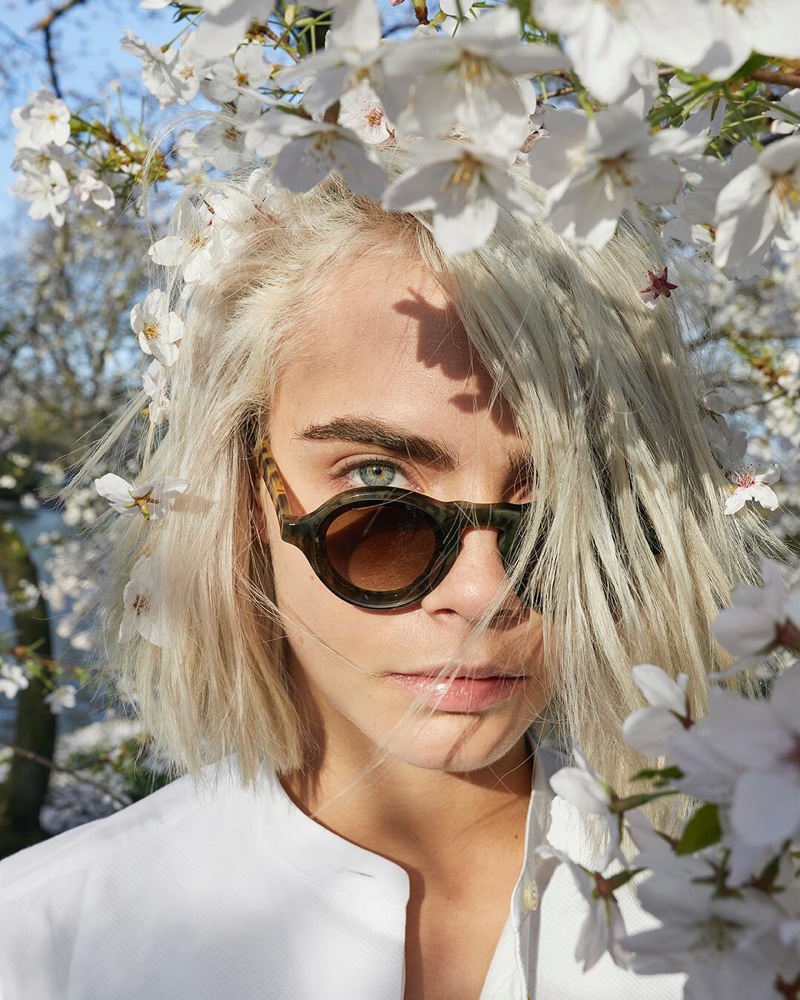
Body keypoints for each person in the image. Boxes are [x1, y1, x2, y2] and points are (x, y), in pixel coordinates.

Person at [0, 157, 764, 999]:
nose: (481, 596)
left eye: (559, 506)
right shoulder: (40, 947)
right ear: (248, 488)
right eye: (377, 487)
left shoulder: (751, 935)